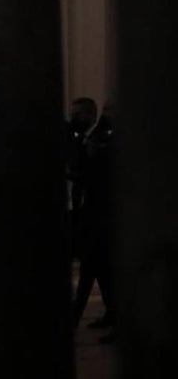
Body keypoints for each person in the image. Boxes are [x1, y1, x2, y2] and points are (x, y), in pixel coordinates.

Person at [69, 97, 116, 337]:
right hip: (93, 213)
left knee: (93, 268)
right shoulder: (93, 138)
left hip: (99, 214)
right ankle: (112, 313)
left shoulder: (101, 138)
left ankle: (74, 319)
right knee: (96, 269)